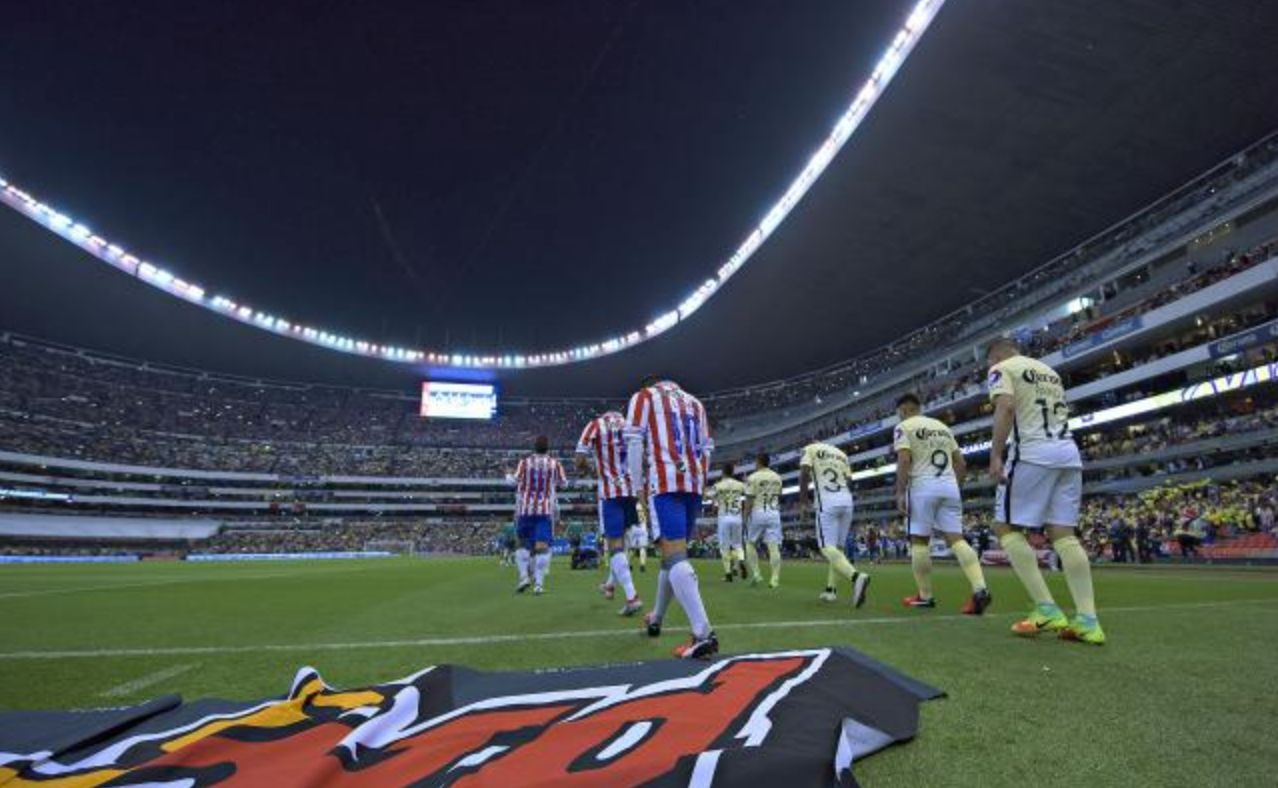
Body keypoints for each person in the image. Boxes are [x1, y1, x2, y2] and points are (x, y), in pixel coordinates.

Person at [986, 338, 1104, 645]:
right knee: (1063, 533)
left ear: (996, 356)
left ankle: (1047, 608)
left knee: (1004, 526)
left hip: (1033, 454)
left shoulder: (1002, 368)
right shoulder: (1049, 372)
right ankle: (1088, 621)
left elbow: (1007, 406)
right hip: (1068, 454)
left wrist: (996, 454)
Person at [625, 377, 718, 659]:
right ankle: (656, 617)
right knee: (670, 554)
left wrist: (637, 486)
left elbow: (633, 443)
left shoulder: (643, 397)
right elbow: (707, 449)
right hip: (693, 483)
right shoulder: (695, 403)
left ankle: (703, 634)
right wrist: (699, 481)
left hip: (664, 483)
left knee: (676, 556)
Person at [892, 393, 990, 614]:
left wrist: (899, 492)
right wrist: (954, 487)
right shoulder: (943, 428)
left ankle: (925, 596)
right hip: (949, 486)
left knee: (919, 541)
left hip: (922, 487)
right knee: (957, 540)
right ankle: (980, 588)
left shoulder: (905, 427)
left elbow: (904, 459)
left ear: (904, 410)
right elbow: (961, 464)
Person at [575, 411, 643, 616]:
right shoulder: (630, 424)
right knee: (621, 543)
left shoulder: (595, 425)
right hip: (630, 490)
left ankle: (632, 597)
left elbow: (579, 461)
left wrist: (591, 470)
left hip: (610, 492)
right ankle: (610, 585)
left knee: (614, 546)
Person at [798, 441, 870, 606]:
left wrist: (803, 503)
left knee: (826, 547)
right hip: (846, 500)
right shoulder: (841, 454)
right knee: (838, 549)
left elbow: (803, 474)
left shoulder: (809, 449)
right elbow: (849, 480)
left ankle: (857, 577)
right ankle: (831, 590)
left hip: (827, 501)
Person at [510, 435, 566, 595]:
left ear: (534, 447)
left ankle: (523, 577)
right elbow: (563, 482)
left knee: (521, 543)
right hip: (544, 510)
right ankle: (539, 584)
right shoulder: (555, 464)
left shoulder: (524, 463)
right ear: (548, 448)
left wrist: (508, 476)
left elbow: (514, 480)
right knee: (542, 546)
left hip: (525, 509)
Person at [743, 453, 784, 588]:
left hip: (758, 512)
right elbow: (779, 495)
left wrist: (745, 516)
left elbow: (749, 499)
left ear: (759, 462)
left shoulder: (752, 477)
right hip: (773, 512)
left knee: (750, 543)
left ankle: (756, 574)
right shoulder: (777, 477)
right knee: (773, 546)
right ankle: (775, 578)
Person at [705, 463, 748, 581]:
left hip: (724, 517)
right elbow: (749, 492)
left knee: (724, 547)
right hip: (737, 517)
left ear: (722, 472)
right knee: (737, 545)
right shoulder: (739, 485)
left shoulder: (719, 485)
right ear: (733, 472)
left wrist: (707, 492)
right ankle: (740, 561)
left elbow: (706, 496)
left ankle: (728, 574)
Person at [627, 507, 650, 574]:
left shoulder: (632, 505)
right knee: (642, 548)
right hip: (642, 526)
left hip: (633, 526)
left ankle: (629, 565)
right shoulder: (643, 505)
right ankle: (642, 565)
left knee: (631, 548)